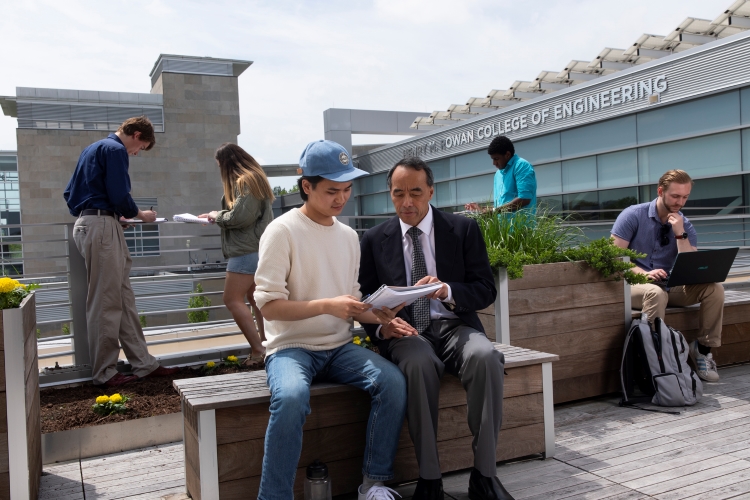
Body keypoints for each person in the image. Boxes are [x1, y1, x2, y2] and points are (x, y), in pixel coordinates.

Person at [253, 140, 411, 500]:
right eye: (331, 191)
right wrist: (326, 305)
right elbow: (269, 307)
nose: (341, 199)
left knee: (393, 382)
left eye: (347, 189)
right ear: (306, 186)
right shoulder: (281, 231)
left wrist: (382, 318)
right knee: (291, 396)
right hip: (290, 349)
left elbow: (350, 302)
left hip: (340, 347)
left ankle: (374, 484)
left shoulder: (348, 236)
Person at [359, 157, 513, 500]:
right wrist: (383, 326)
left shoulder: (462, 229)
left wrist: (447, 290)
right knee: (417, 364)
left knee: (486, 356)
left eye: (415, 192)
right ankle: (430, 479)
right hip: (407, 333)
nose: (407, 202)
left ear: (431, 191)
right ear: (391, 195)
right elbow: (364, 299)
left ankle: (485, 476)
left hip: (454, 324)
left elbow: (486, 289)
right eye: (398, 194)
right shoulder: (373, 239)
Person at [63, 116, 179, 387]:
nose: (136, 153)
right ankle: (104, 372)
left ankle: (143, 364)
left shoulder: (91, 149)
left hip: (91, 223)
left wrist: (104, 213)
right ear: (136, 135)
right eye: (140, 148)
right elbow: (119, 194)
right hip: (102, 226)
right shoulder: (115, 149)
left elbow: (70, 194)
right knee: (106, 300)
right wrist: (139, 215)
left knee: (122, 297)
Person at [612, 169, 724, 382]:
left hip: (669, 284)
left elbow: (691, 265)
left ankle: (703, 349)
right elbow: (615, 258)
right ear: (661, 191)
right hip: (632, 283)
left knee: (714, 289)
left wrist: (680, 233)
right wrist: (645, 274)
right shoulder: (633, 215)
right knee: (655, 293)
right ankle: (654, 359)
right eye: (675, 196)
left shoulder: (684, 224)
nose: (680, 202)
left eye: (685, 197)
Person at [198, 143, 273, 367]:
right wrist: (217, 216)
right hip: (255, 248)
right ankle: (268, 346)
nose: (220, 169)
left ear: (227, 163)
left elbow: (240, 217)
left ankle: (259, 350)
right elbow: (242, 214)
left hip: (246, 250)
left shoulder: (246, 181)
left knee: (231, 299)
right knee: (255, 299)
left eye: (220, 165)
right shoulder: (254, 178)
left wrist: (216, 215)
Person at [465, 136, 536, 214]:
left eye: (496, 159)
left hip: (521, 226)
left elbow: (524, 199)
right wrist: (480, 209)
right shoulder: (498, 174)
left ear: (507, 154)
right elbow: (499, 206)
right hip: (502, 226)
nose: (494, 163)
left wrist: (494, 211)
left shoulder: (521, 166)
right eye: (492, 159)